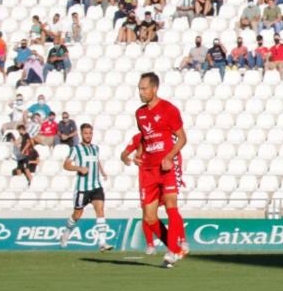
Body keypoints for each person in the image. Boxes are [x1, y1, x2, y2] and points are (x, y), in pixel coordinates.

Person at [126, 72, 188, 268]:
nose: (141, 92)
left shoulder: (169, 109)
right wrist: (139, 154)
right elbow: (144, 138)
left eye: (144, 88)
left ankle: (173, 251)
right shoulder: (140, 113)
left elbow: (182, 138)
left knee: (171, 205)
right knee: (149, 217)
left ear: (154, 89)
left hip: (167, 166)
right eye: (139, 88)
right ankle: (175, 248)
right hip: (149, 169)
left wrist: (169, 157)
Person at [61, 123, 114, 251]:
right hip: (82, 189)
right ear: (81, 134)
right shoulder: (76, 149)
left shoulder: (96, 148)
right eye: (86, 133)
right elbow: (66, 165)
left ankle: (102, 243)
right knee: (77, 215)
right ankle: (66, 233)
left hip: (96, 186)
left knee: (100, 210)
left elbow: (96, 160)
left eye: (90, 133)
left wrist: (102, 171)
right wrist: (79, 168)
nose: (88, 135)